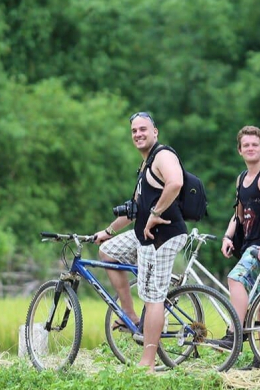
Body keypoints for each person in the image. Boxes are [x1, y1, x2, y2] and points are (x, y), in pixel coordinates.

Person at [93, 111, 188, 372]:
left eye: (143, 129)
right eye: (134, 131)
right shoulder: (145, 165)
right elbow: (134, 209)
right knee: (108, 251)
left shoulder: (163, 156)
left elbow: (176, 182)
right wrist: (108, 231)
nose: (138, 134)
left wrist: (155, 214)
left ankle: (147, 362)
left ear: (155, 131)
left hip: (163, 236)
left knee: (153, 296)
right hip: (143, 236)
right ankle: (129, 315)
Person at [211, 125, 260, 369]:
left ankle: (234, 333)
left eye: (255, 144)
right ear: (239, 150)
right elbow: (238, 215)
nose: (250, 148)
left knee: (235, 279)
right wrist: (227, 237)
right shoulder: (241, 179)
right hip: (248, 243)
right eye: (246, 145)